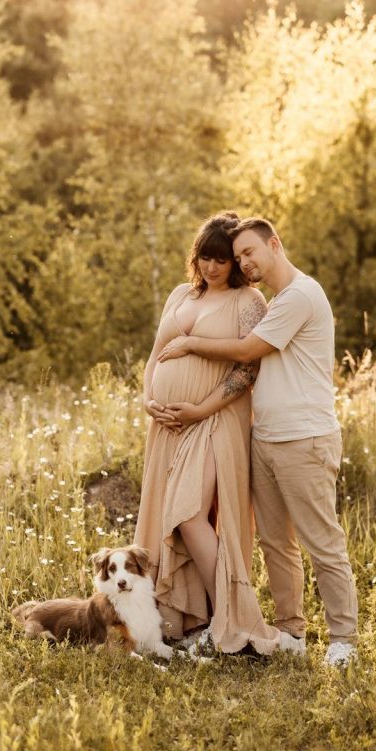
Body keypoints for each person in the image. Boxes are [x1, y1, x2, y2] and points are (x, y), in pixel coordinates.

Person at [158, 217, 358, 666]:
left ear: (274, 244)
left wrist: (189, 343)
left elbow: (248, 351)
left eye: (250, 252)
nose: (245, 261)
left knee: (321, 541)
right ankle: (290, 630)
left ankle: (343, 638)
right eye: (240, 255)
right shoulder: (276, 299)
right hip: (264, 437)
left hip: (303, 437)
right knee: (275, 542)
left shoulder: (302, 295)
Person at [135, 211, 281, 656]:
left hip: (214, 421)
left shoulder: (248, 301)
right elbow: (155, 356)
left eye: (221, 259)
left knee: (190, 514)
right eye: (205, 257)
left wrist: (199, 409)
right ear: (194, 257)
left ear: (235, 263)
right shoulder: (180, 295)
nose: (212, 267)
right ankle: (191, 621)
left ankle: (232, 618)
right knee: (169, 519)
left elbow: (247, 369)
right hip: (168, 427)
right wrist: (147, 399)